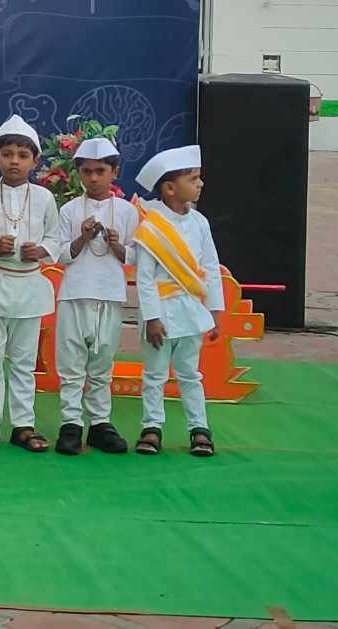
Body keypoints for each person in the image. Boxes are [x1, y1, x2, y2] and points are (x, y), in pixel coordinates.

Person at [0, 116, 62, 453]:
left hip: (29, 287)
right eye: (7, 154)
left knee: (23, 362)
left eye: (22, 155)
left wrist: (42, 250)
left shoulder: (45, 198)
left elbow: (56, 239)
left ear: (35, 160)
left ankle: (23, 425)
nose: (14, 161)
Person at [132, 146, 224, 459]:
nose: (200, 184)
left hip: (192, 312)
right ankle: (151, 427)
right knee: (155, 374)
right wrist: (152, 317)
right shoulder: (151, 227)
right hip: (160, 313)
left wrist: (214, 311)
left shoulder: (200, 223)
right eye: (193, 179)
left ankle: (199, 428)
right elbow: (145, 278)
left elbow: (210, 267)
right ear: (170, 188)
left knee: (190, 374)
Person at [55, 137, 139, 457]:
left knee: (102, 361)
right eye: (87, 171)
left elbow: (133, 257)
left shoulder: (127, 212)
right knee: (71, 362)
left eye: (100, 171)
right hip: (75, 292)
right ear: (78, 173)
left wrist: (116, 244)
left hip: (110, 293)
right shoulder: (69, 210)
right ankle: (71, 424)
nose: (93, 178)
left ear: (114, 172)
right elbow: (61, 254)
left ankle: (100, 423)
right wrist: (83, 237)